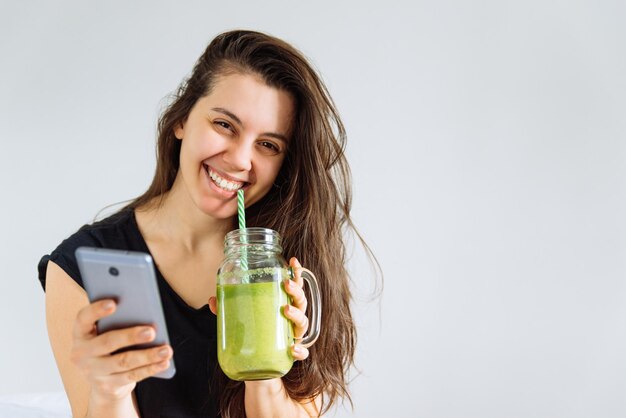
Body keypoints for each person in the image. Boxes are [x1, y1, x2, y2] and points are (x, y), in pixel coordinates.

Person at [38, 30, 361, 418]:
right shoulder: (79, 267)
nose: (241, 159)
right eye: (225, 125)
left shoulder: (290, 266)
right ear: (181, 119)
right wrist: (109, 392)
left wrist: (264, 368)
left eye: (269, 145)